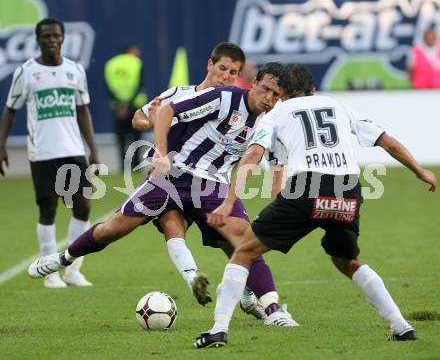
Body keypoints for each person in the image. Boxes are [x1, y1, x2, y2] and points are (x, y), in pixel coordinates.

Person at [28, 63, 297, 326]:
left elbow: (275, 163)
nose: (270, 99)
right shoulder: (223, 98)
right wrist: (160, 151)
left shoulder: (271, 120)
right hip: (173, 175)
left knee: (244, 241)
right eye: (266, 90)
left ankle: (273, 310)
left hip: (211, 184)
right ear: (253, 84)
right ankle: (62, 259)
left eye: (276, 95)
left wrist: (278, 199)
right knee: (112, 229)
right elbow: (167, 111)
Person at [194, 63, 437, 348]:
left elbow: (252, 157)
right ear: (312, 89)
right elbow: (387, 142)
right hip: (348, 188)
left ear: (282, 93)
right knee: (347, 261)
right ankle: (401, 325)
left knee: (244, 252)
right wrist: (420, 171)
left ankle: (219, 330)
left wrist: (229, 201)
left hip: (306, 186)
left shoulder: (278, 112)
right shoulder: (339, 106)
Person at [132, 42, 285, 319]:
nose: (226, 76)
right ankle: (193, 278)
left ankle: (249, 295)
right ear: (209, 65)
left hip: (212, 183)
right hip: (171, 174)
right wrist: (152, 122)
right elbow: (139, 118)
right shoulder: (180, 94)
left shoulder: (233, 105)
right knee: (171, 224)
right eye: (222, 68)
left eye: (233, 72)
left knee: (234, 241)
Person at [0, 18, 100, 288]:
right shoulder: (26, 72)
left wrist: (93, 150)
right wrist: (1, 146)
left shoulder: (75, 70)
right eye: (46, 36)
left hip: (73, 149)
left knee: (83, 204)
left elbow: (83, 110)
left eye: (56, 36)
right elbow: (10, 109)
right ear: (38, 39)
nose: (52, 40)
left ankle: (72, 269)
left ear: (63, 38)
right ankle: (49, 273)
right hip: (42, 152)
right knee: (49, 209)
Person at [104, 45, 147, 170]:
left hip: (118, 108)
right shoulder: (137, 62)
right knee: (136, 137)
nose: (138, 52)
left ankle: (123, 166)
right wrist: (129, 104)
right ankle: (137, 164)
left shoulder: (111, 64)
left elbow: (108, 87)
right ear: (129, 51)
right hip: (135, 107)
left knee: (121, 138)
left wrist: (120, 105)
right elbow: (140, 85)